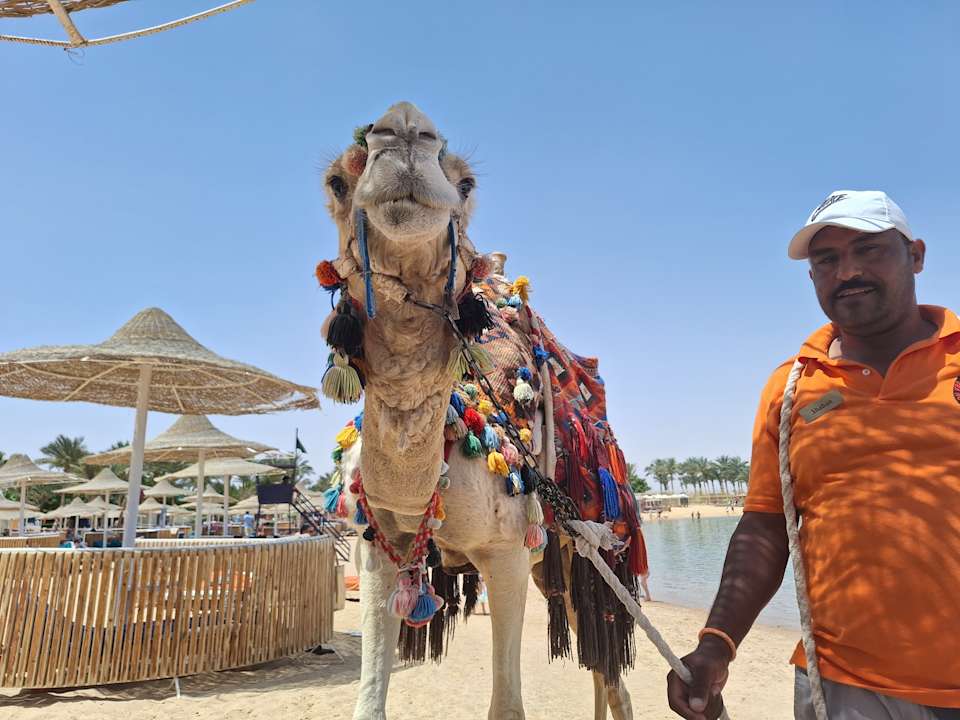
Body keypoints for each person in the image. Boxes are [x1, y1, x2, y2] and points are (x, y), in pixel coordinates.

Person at [667, 191, 960, 720]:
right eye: (827, 260)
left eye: (869, 250)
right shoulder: (791, 387)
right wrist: (716, 644)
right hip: (846, 687)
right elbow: (765, 526)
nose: (848, 271)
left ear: (915, 255)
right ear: (812, 278)